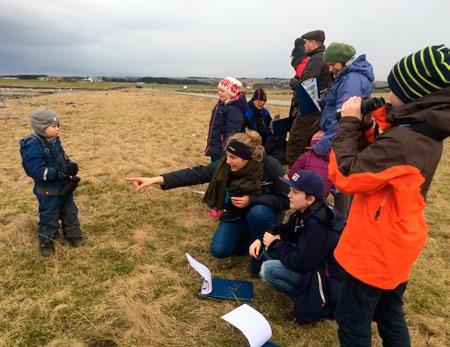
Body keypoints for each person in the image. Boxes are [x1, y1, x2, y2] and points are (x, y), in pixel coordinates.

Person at [328, 44, 450, 346]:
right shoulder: (422, 132)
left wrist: (348, 124)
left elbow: (347, 175)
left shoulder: (406, 141)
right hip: (398, 241)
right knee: (388, 314)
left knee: (352, 322)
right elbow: (382, 161)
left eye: (394, 87)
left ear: (414, 94)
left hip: (375, 247)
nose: (387, 91)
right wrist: (369, 125)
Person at [128, 130, 289, 274]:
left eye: (233, 157)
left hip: (264, 216)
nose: (227, 161)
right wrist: (156, 179)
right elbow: (195, 174)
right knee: (219, 250)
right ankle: (250, 240)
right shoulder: (224, 166)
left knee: (257, 212)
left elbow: (284, 201)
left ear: (247, 157)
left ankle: (262, 255)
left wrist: (252, 200)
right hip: (236, 214)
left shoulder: (271, 166)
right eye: (227, 155)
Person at [249, 170, 344, 323]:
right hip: (311, 265)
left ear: (310, 199)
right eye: (290, 190)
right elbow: (285, 230)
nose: (289, 195)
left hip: (323, 279)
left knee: (268, 270)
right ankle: (304, 293)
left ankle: (306, 298)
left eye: (295, 192)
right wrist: (261, 239)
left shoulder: (318, 225)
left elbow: (302, 262)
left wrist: (275, 243)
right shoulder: (304, 212)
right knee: (267, 249)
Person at [318, 42, 375, 218]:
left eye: (332, 64)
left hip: (342, 139)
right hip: (339, 136)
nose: (329, 69)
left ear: (344, 61)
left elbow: (345, 117)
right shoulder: (346, 76)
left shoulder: (352, 81)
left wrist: (323, 145)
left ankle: (342, 221)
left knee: (342, 178)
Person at [19, 107, 84, 257]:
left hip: (63, 187)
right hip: (47, 190)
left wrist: (69, 165)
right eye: (53, 126)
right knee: (49, 217)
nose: (57, 129)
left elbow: (60, 158)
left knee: (70, 212)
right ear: (42, 128)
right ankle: (46, 243)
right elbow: (35, 170)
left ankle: (74, 236)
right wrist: (56, 174)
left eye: (58, 125)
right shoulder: (33, 145)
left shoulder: (54, 141)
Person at [285, 30, 332, 167]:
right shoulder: (323, 57)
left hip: (309, 109)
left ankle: (294, 173)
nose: (304, 46)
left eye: (306, 43)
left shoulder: (317, 59)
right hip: (317, 108)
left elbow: (306, 85)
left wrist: (293, 82)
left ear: (312, 43)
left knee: (296, 140)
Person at [205, 77, 247, 163]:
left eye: (222, 91)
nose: (219, 93)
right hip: (217, 147)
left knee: (217, 171)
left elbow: (232, 134)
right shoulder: (223, 105)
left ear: (231, 93)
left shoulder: (233, 110)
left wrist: (225, 152)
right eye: (219, 90)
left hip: (223, 151)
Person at [244, 88, 287, 164]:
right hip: (254, 146)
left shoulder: (265, 112)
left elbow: (269, 128)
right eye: (259, 100)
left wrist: (276, 126)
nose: (262, 103)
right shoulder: (247, 113)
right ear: (254, 99)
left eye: (264, 101)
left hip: (266, 144)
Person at [288, 131, 332, 199]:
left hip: (305, 193)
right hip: (323, 195)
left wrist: (296, 184)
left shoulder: (306, 156)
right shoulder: (333, 159)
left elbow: (292, 173)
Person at [288, 37, 310, 119]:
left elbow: (304, 88)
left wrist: (294, 83)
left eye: (291, 57)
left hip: (303, 107)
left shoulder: (302, 65)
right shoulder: (307, 62)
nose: (291, 59)